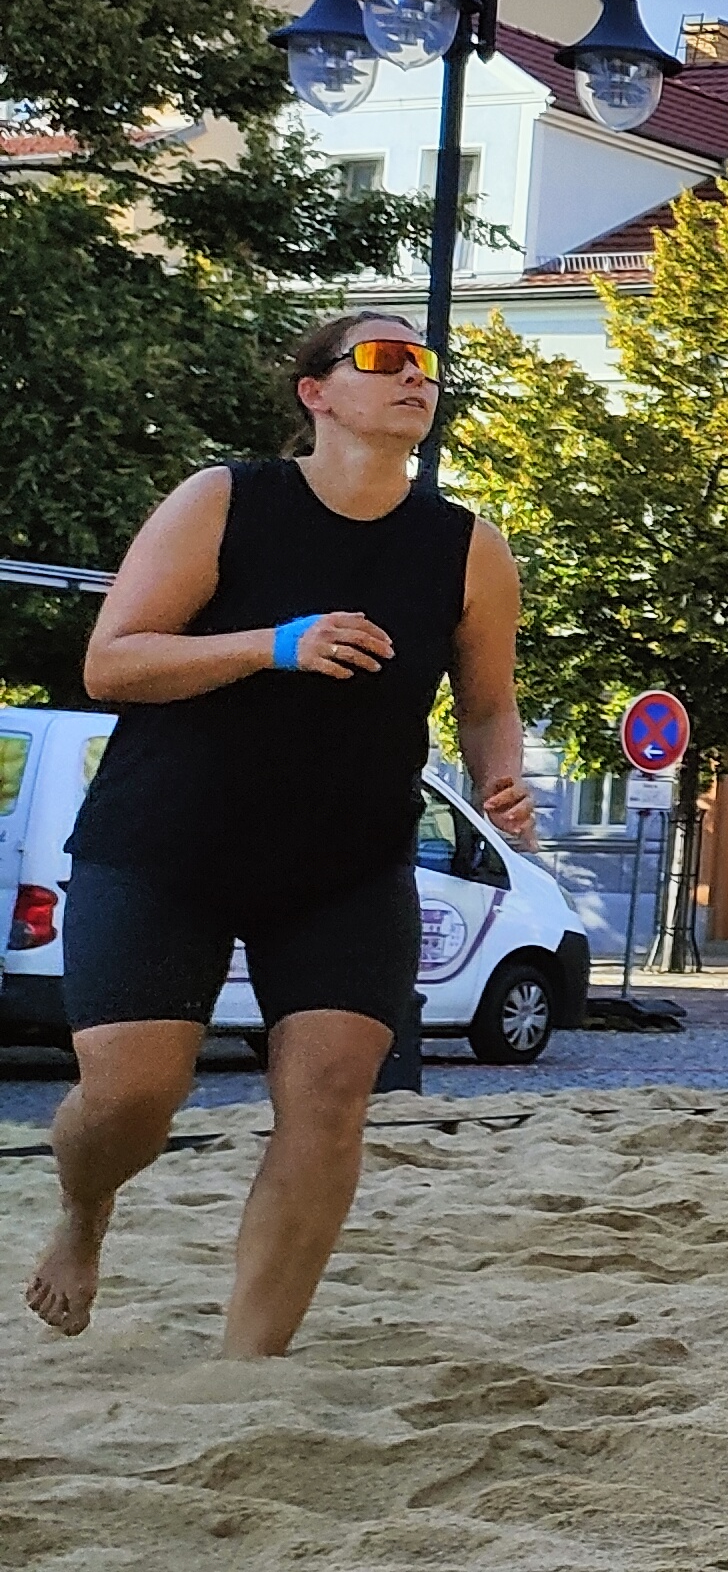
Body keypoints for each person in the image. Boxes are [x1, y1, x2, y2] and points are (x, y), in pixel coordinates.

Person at [24, 314, 530, 1356]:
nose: (415, 377)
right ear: (316, 391)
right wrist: (272, 644)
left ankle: (247, 1369)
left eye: (427, 365)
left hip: (347, 861)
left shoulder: (467, 547)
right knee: (132, 1096)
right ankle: (84, 1209)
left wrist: (501, 778)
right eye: (384, 359)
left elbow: (488, 704)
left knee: (331, 1095)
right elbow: (112, 662)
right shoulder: (224, 499)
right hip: (168, 843)